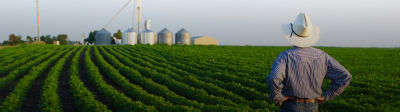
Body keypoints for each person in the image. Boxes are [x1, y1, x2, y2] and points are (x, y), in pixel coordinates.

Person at [266, 13, 352, 112]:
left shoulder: (285, 56)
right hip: (313, 106)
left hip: (291, 106)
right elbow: (345, 76)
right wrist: (326, 96)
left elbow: (274, 78)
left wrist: (278, 97)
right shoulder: (322, 56)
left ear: (292, 34)